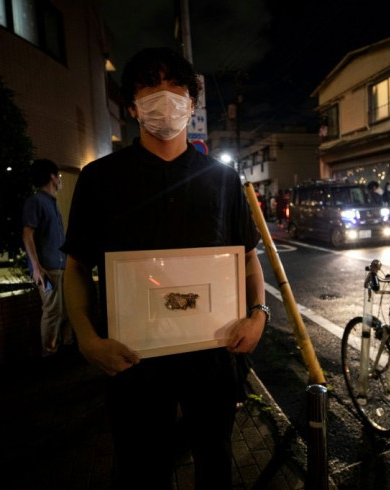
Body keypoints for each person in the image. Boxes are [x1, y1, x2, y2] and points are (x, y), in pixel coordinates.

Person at [61, 47, 267, 489]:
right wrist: (87, 340)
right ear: (132, 107)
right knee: (141, 468)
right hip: (132, 359)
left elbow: (248, 257)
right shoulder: (100, 178)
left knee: (216, 459)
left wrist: (259, 315)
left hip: (213, 353)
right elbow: (75, 266)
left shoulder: (223, 179)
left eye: (177, 89)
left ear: (192, 106)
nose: (166, 99)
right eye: (151, 88)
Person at [21, 158, 73, 357]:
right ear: (52, 177)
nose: (60, 180)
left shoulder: (50, 202)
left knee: (65, 310)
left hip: (59, 267)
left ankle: (65, 347)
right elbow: (27, 234)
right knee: (52, 311)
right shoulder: (35, 201)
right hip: (46, 271)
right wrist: (36, 267)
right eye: (58, 176)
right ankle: (49, 353)